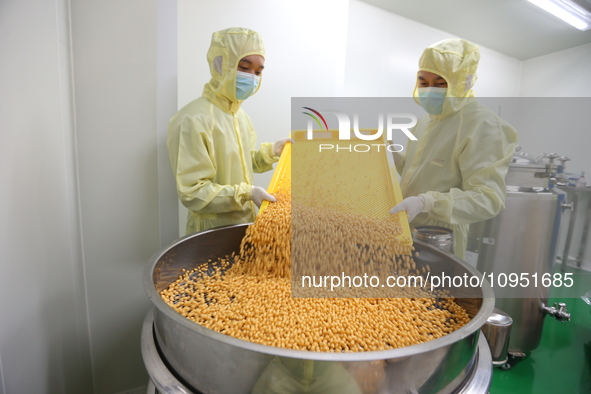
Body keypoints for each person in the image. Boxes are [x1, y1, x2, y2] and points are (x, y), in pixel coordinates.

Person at [390, 38, 518, 258]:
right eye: (423, 82)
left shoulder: (483, 125)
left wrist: (427, 202)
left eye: (440, 84)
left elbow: (488, 198)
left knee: (435, 290)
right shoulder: (426, 121)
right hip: (402, 227)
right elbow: (418, 171)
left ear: (462, 83)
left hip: (439, 237)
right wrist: (394, 158)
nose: (430, 90)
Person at [167, 27, 289, 235]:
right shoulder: (192, 119)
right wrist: (247, 194)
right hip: (210, 232)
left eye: (258, 72)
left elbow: (244, 163)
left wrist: (272, 152)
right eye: (244, 67)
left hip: (244, 224)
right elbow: (193, 191)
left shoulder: (240, 116)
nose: (252, 77)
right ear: (220, 65)